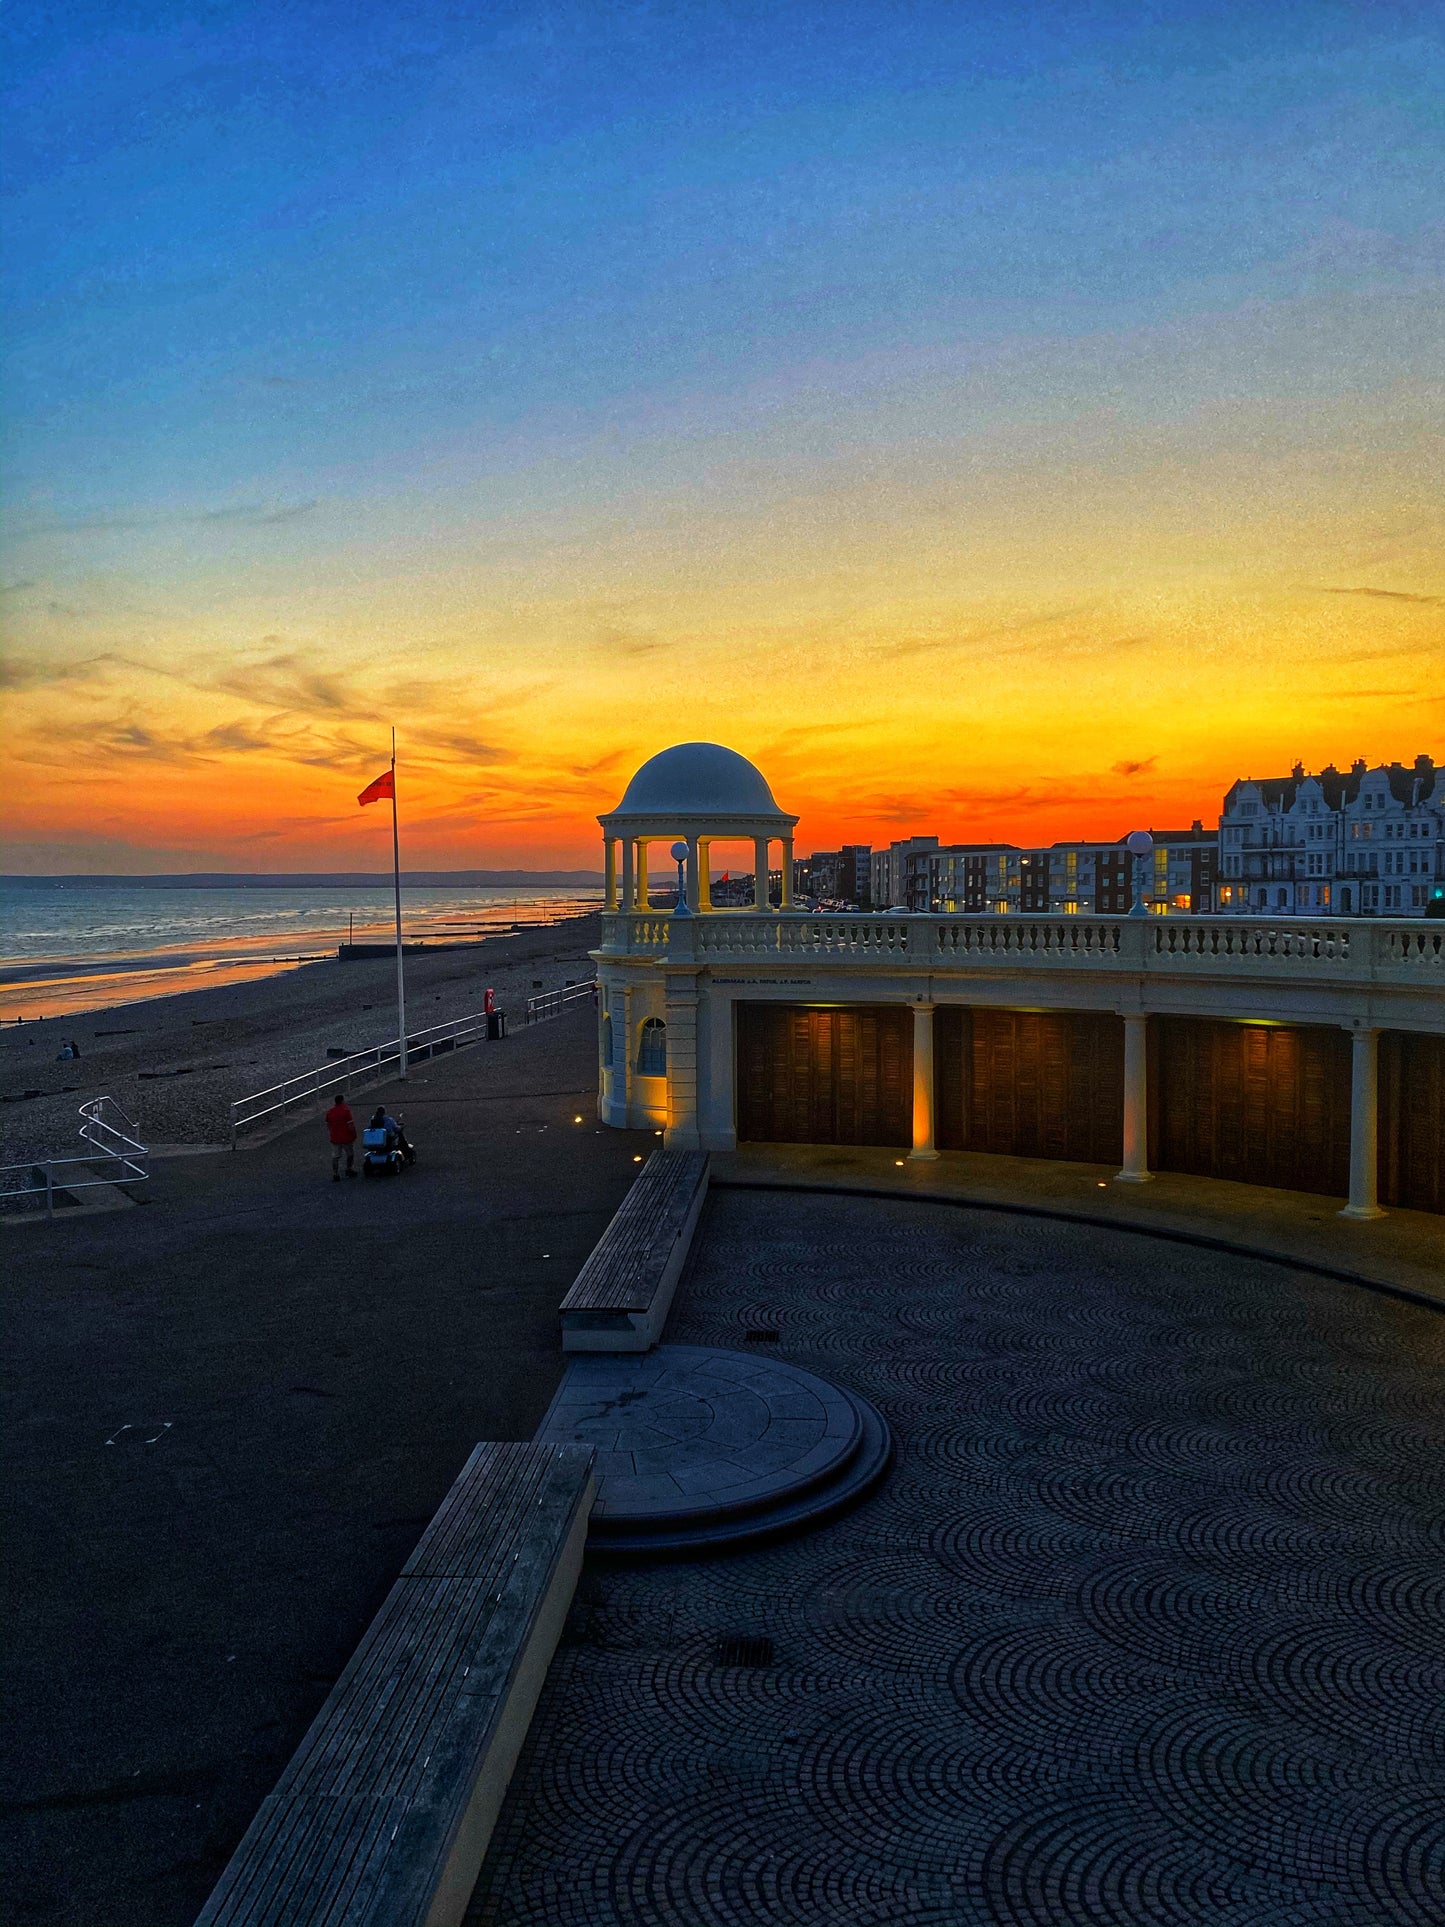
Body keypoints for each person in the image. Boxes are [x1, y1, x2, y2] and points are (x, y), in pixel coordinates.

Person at [326, 1092, 357, 1179]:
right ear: (342, 1101)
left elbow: (328, 1125)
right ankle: (349, 1169)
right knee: (350, 1154)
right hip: (346, 1137)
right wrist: (354, 1135)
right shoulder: (346, 1111)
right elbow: (351, 1126)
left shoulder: (330, 1112)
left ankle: (335, 1174)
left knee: (335, 1156)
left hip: (335, 1138)